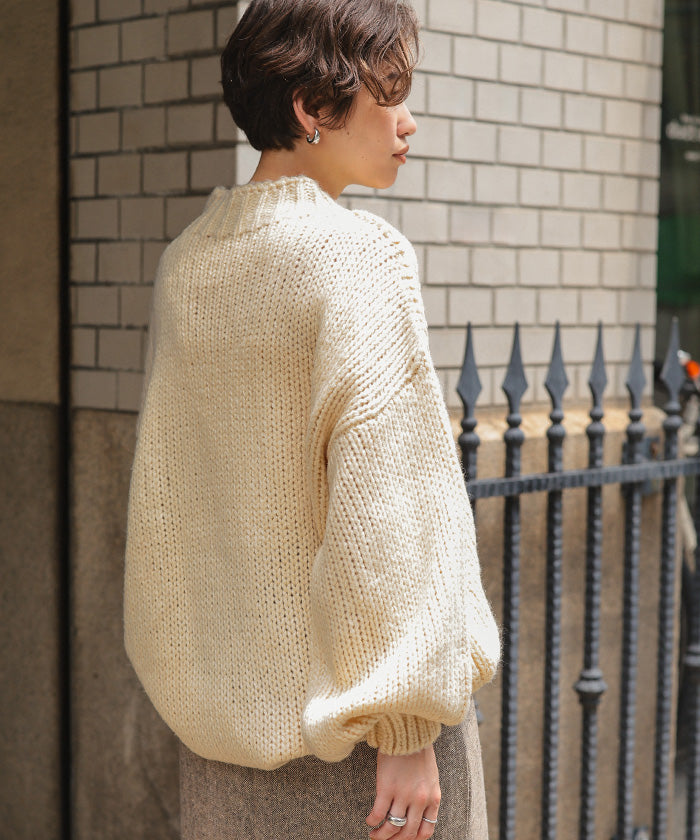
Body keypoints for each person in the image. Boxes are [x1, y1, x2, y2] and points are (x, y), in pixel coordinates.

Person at [123, 0, 501, 838]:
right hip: (368, 767)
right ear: (312, 107)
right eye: (389, 91)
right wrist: (407, 729)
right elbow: (388, 513)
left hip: (220, 761)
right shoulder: (360, 258)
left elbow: (172, 514)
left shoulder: (187, 267)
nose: (408, 120)